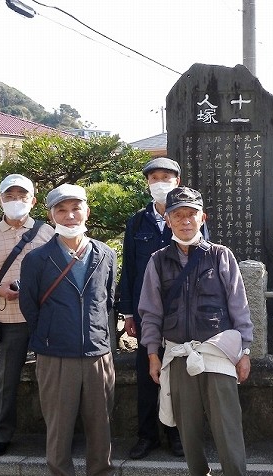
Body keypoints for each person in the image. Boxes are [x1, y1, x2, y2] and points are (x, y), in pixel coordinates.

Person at [138, 186, 254, 476]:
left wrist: (245, 351)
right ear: (168, 220)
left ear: (203, 218)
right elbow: (151, 312)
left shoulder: (220, 255)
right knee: (187, 427)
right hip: (177, 352)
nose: (185, 220)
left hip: (217, 350)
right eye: (178, 215)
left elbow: (239, 305)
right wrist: (152, 354)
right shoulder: (158, 261)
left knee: (227, 424)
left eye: (191, 214)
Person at [20, 183, 123, 476]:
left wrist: (101, 338)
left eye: (76, 208)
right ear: (51, 215)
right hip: (55, 355)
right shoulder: (36, 258)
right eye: (61, 210)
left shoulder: (105, 254)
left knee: (100, 424)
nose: (70, 216)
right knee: (58, 426)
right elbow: (29, 306)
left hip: (97, 352)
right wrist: (50, 336)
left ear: (86, 211)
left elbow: (107, 301)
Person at [0, 174, 54, 457]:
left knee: (52, 378)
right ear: (0, 201)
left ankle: (56, 435)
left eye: (22, 196)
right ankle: (0, 435)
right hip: (10, 317)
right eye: (9, 196)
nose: (15, 201)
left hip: (45, 318)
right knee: (5, 379)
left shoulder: (48, 232)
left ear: (33, 201)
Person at [118, 157, 185, 459]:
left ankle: (177, 435)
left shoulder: (187, 217)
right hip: (146, 313)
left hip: (179, 312)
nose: (160, 183)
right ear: (147, 183)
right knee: (147, 374)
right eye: (154, 178)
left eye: (166, 177)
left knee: (177, 374)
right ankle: (147, 436)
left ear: (177, 182)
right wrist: (128, 313)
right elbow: (129, 269)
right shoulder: (137, 222)